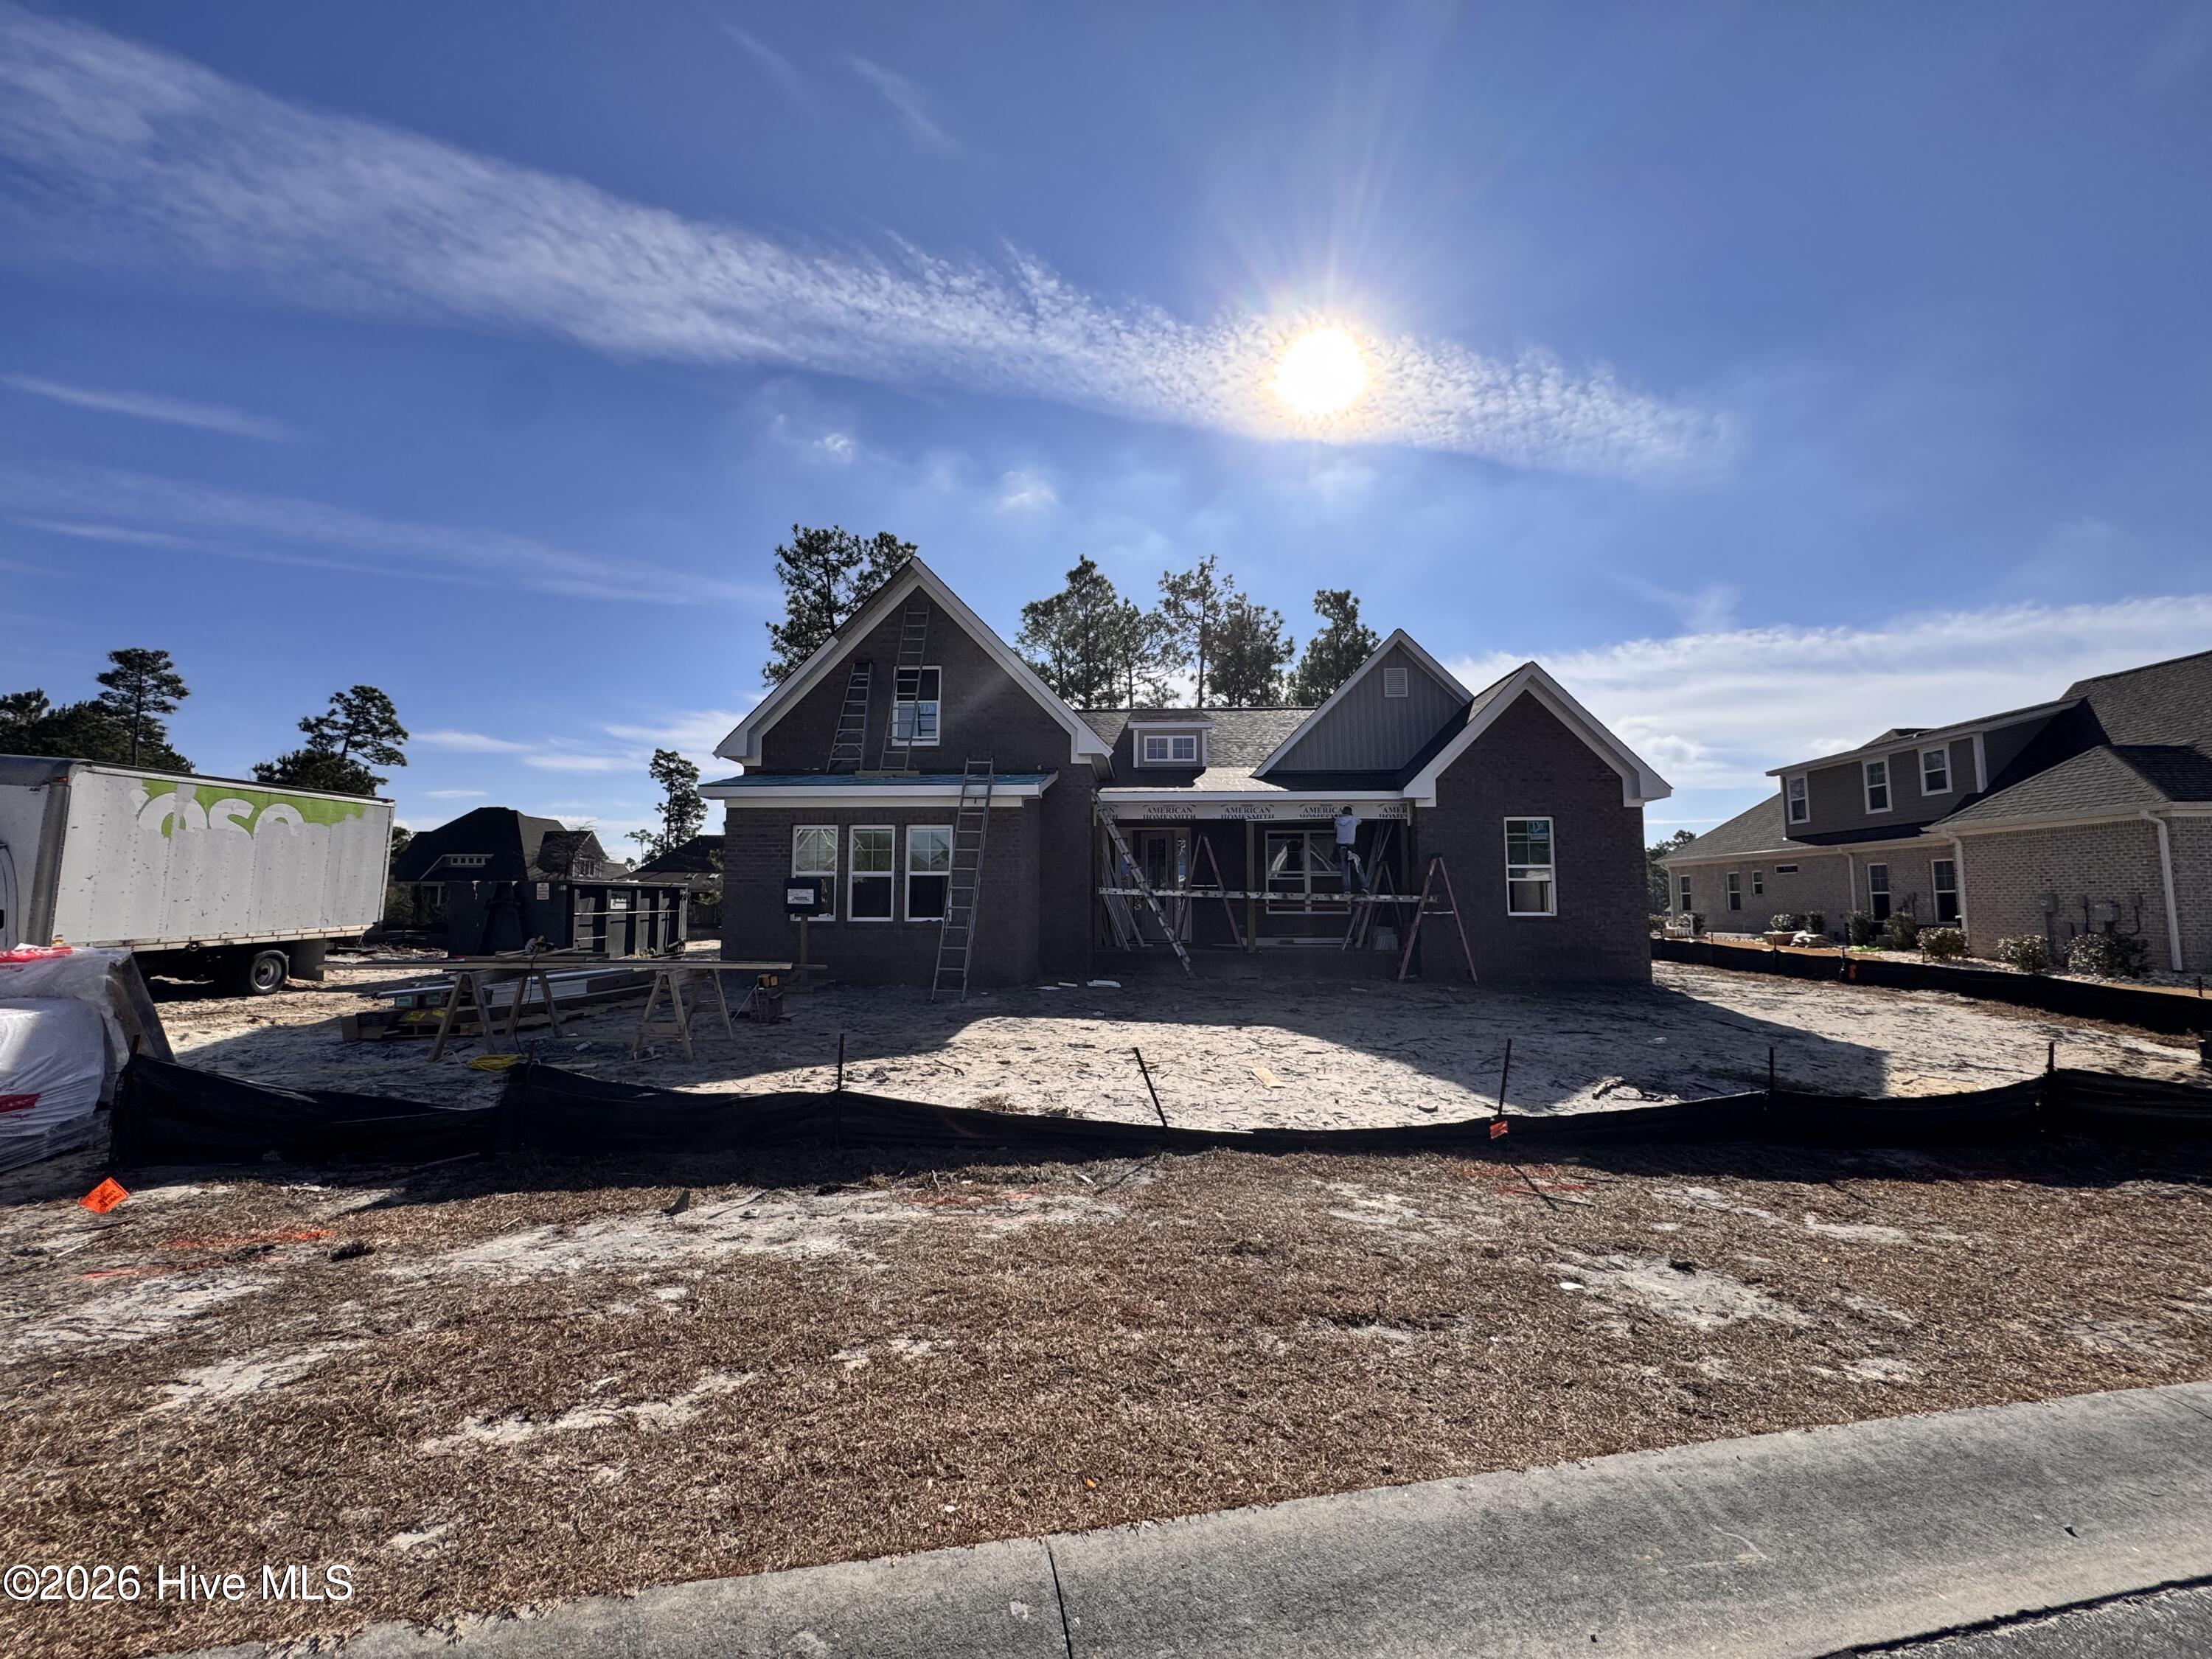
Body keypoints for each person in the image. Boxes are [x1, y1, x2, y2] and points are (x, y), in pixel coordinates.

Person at [1333, 804, 1364, 894]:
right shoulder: (1353, 820)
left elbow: (1335, 831)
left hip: (1340, 847)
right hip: (1351, 847)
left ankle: (1347, 889)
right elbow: (1360, 821)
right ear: (1351, 813)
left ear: (1343, 812)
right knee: (1358, 867)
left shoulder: (1337, 821)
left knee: (1345, 870)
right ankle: (1364, 886)